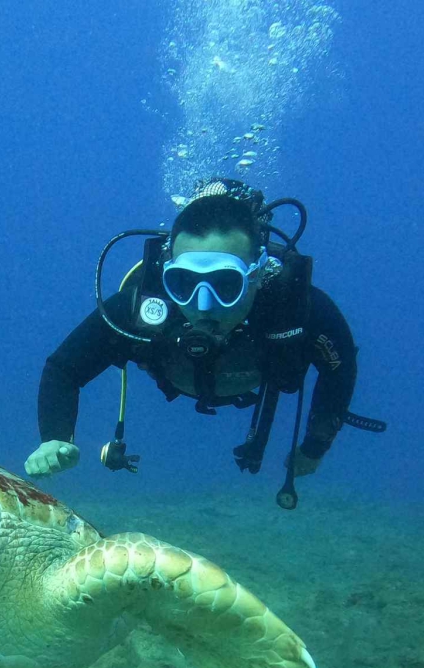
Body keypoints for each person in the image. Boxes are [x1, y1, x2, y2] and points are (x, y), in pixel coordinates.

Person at [24, 178, 381, 508]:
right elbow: (64, 368)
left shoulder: (298, 309)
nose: (204, 305)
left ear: (259, 274)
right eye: (184, 283)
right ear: (168, 273)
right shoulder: (139, 309)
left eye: (226, 284)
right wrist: (55, 437)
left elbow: (340, 368)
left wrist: (315, 447)